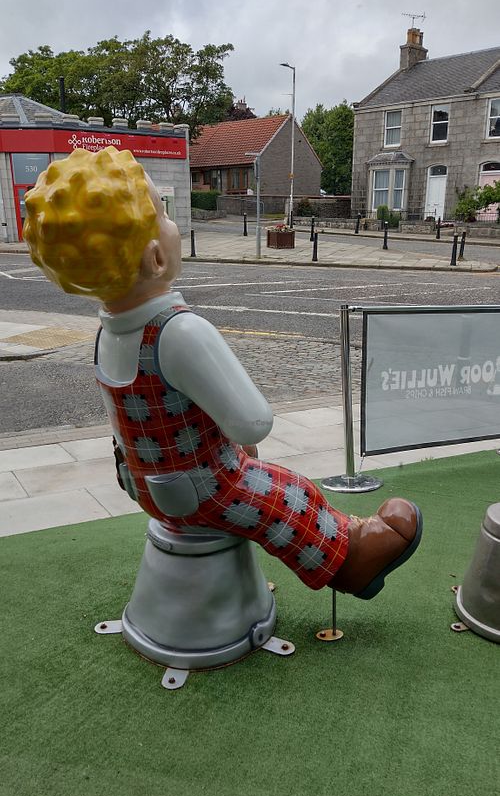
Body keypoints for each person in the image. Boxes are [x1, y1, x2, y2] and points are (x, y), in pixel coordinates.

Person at [23, 146, 422, 599]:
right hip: (201, 490)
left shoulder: (105, 334)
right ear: (156, 258)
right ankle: (350, 560)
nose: (174, 225)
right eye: (165, 214)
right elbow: (253, 422)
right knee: (288, 494)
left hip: (142, 484)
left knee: (249, 471)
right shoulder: (179, 331)